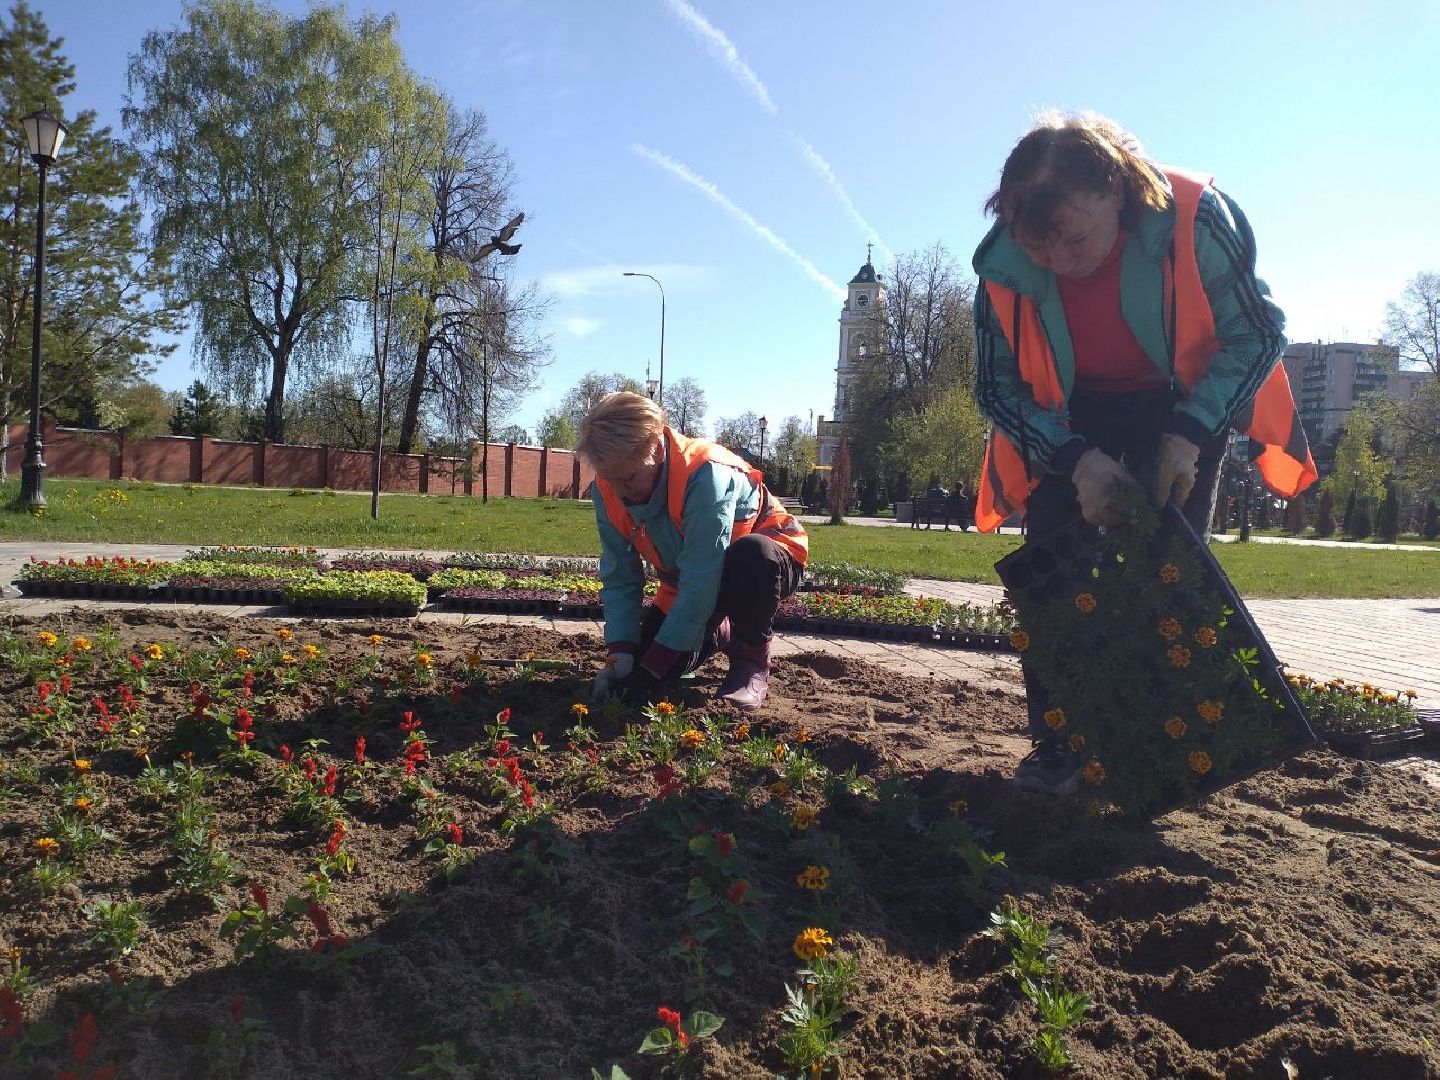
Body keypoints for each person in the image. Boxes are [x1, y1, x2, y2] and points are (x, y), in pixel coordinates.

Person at [970, 111, 1317, 794]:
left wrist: (1186, 435)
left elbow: (1257, 334)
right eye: (1044, 252)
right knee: (1057, 572)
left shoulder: (1197, 217)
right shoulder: (1005, 262)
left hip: (1183, 398)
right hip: (1069, 412)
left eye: (1076, 240)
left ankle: (1167, 746)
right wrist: (1076, 461)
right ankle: (1061, 744)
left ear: (1117, 189)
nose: (1062, 264)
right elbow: (996, 384)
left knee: (1167, 564)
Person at [578, 392, 809, 711]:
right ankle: (721, 632)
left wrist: (654, 667)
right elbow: (620, 577)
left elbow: (702, 579)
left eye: (629, 478)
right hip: (693, 580)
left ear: (656, 450)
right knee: (651, 664)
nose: (619, 491)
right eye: (610, 479)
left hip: (766, 559)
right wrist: (622, 656)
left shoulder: (705, 476)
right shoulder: (608, 490)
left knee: (752, 554)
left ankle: (750, 661)